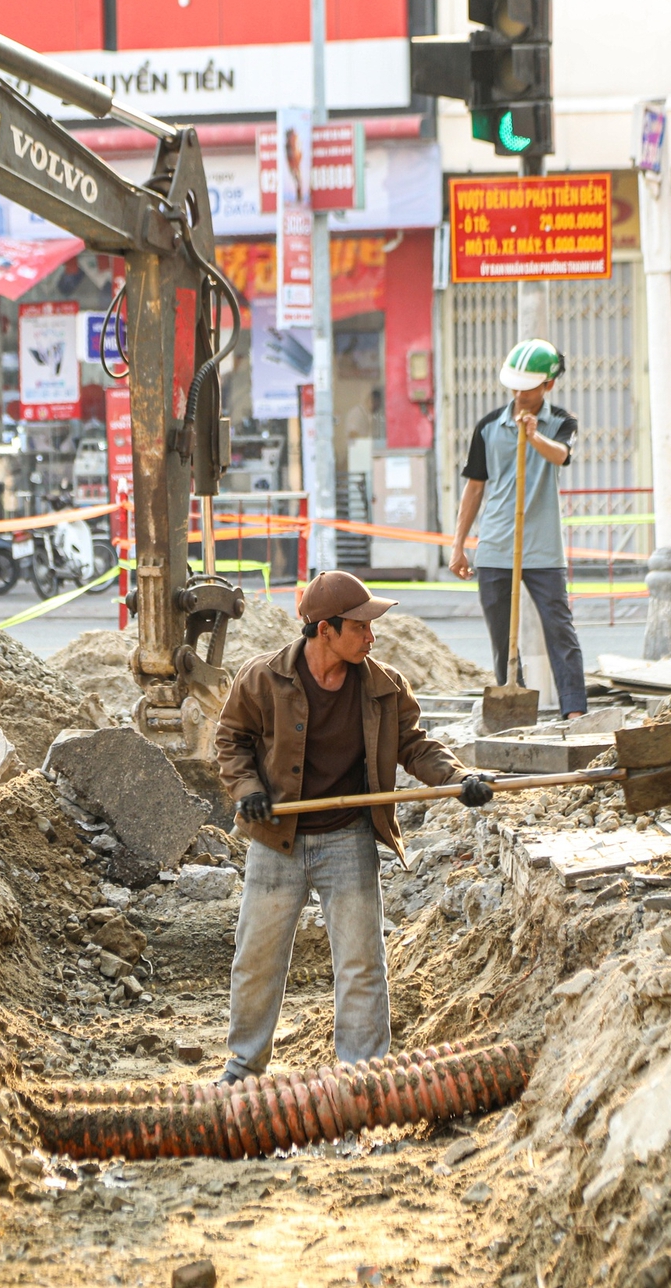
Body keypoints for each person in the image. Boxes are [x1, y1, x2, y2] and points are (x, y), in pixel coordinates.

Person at [212, 571, 494, 1083]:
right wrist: (248, 791)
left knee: (362, 964)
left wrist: (459, 777)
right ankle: (243, 1068)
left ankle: (364, 1078)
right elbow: (230, 738)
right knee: (257, 959)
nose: (372, 636)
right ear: (325, 631)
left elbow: (415, 746)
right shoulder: (262, 677)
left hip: (347, 837)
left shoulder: (383, 686)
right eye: (361, 627)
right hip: (278, 838)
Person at [448, 338, 588, 719]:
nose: (519, 394)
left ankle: (573, 710)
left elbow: (561, 456)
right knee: (501, 637)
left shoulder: (563, 422)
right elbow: (474, 486)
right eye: (515, 386)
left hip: (543, 548)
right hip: (495, 546)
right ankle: (514, 706)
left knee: (560, 630)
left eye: (527, 387)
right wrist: (459, 545)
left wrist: (534, 435)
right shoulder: (488, 427)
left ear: (548, 385)